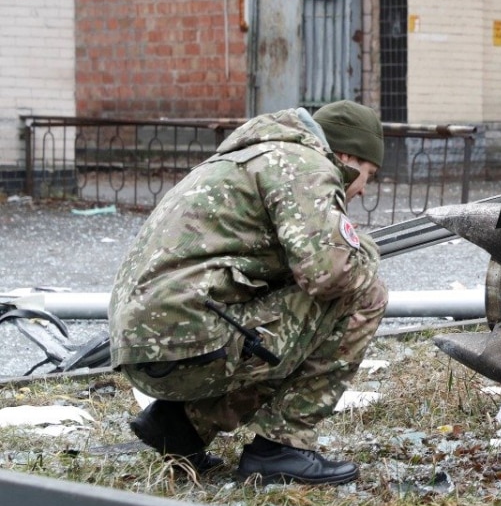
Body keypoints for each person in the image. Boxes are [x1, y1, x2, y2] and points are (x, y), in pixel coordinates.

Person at [108, 100, 389, 486]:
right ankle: (280, 447)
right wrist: (364, 250)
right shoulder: (305, 164)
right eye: (368, 174)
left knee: (294, 312)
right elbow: (329, 275)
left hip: (146, 346)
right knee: (363, 293)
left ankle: (182, 426)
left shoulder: (253, 156)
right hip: (187, 342)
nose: (361, 190)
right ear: (347, 156)